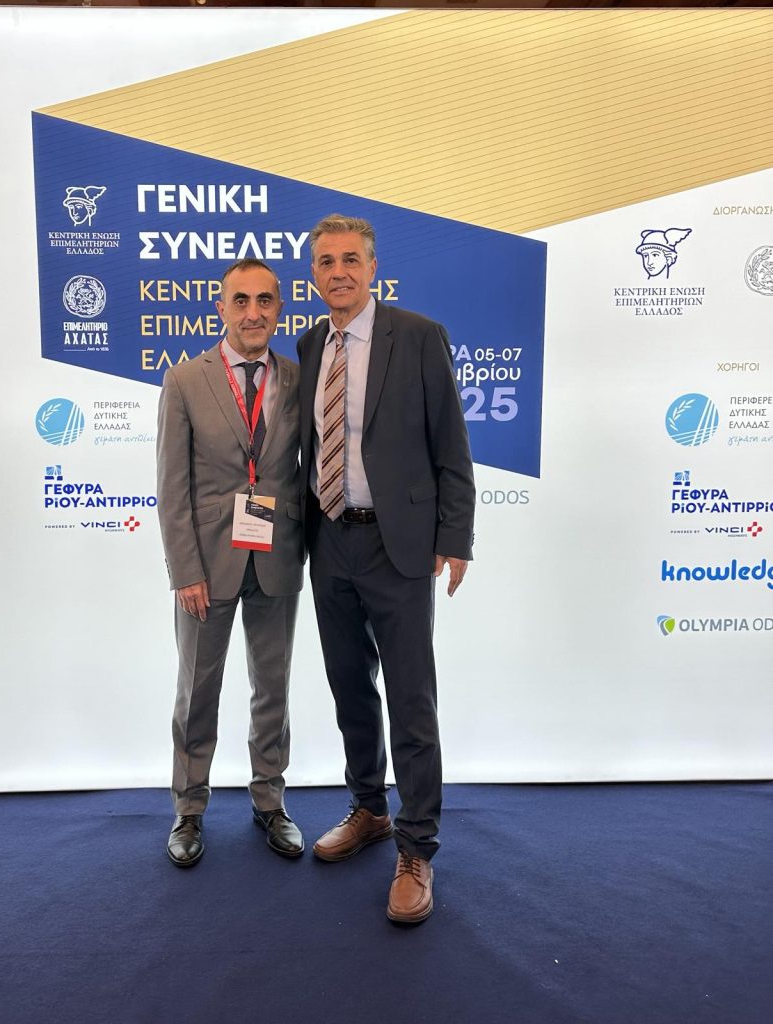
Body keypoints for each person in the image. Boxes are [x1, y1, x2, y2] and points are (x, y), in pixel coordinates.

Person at [297, 214, 475, 924]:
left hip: (398, 544)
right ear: (314, 273)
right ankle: (368, 808)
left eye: (351, 259)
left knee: (410, 697)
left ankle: (417, 846)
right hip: (328, 540)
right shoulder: (310, 344)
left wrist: (455, 537)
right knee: (349, 686)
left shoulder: (420, 336)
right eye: (325, 261)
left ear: (373, 268)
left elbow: (451, 444)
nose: (338, 271)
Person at [156, 258, 305, 867]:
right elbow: (171, 486)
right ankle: (189, 808)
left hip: (277, 558)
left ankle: (270, 800)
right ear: (221, 308)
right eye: (240, 300)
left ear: (279, 309)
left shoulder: (299, 378)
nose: (253, 312)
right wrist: (184, 570)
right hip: (207, 565)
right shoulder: (184, 380)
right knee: (198, 690)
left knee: (273, 689)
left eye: (264, 300)